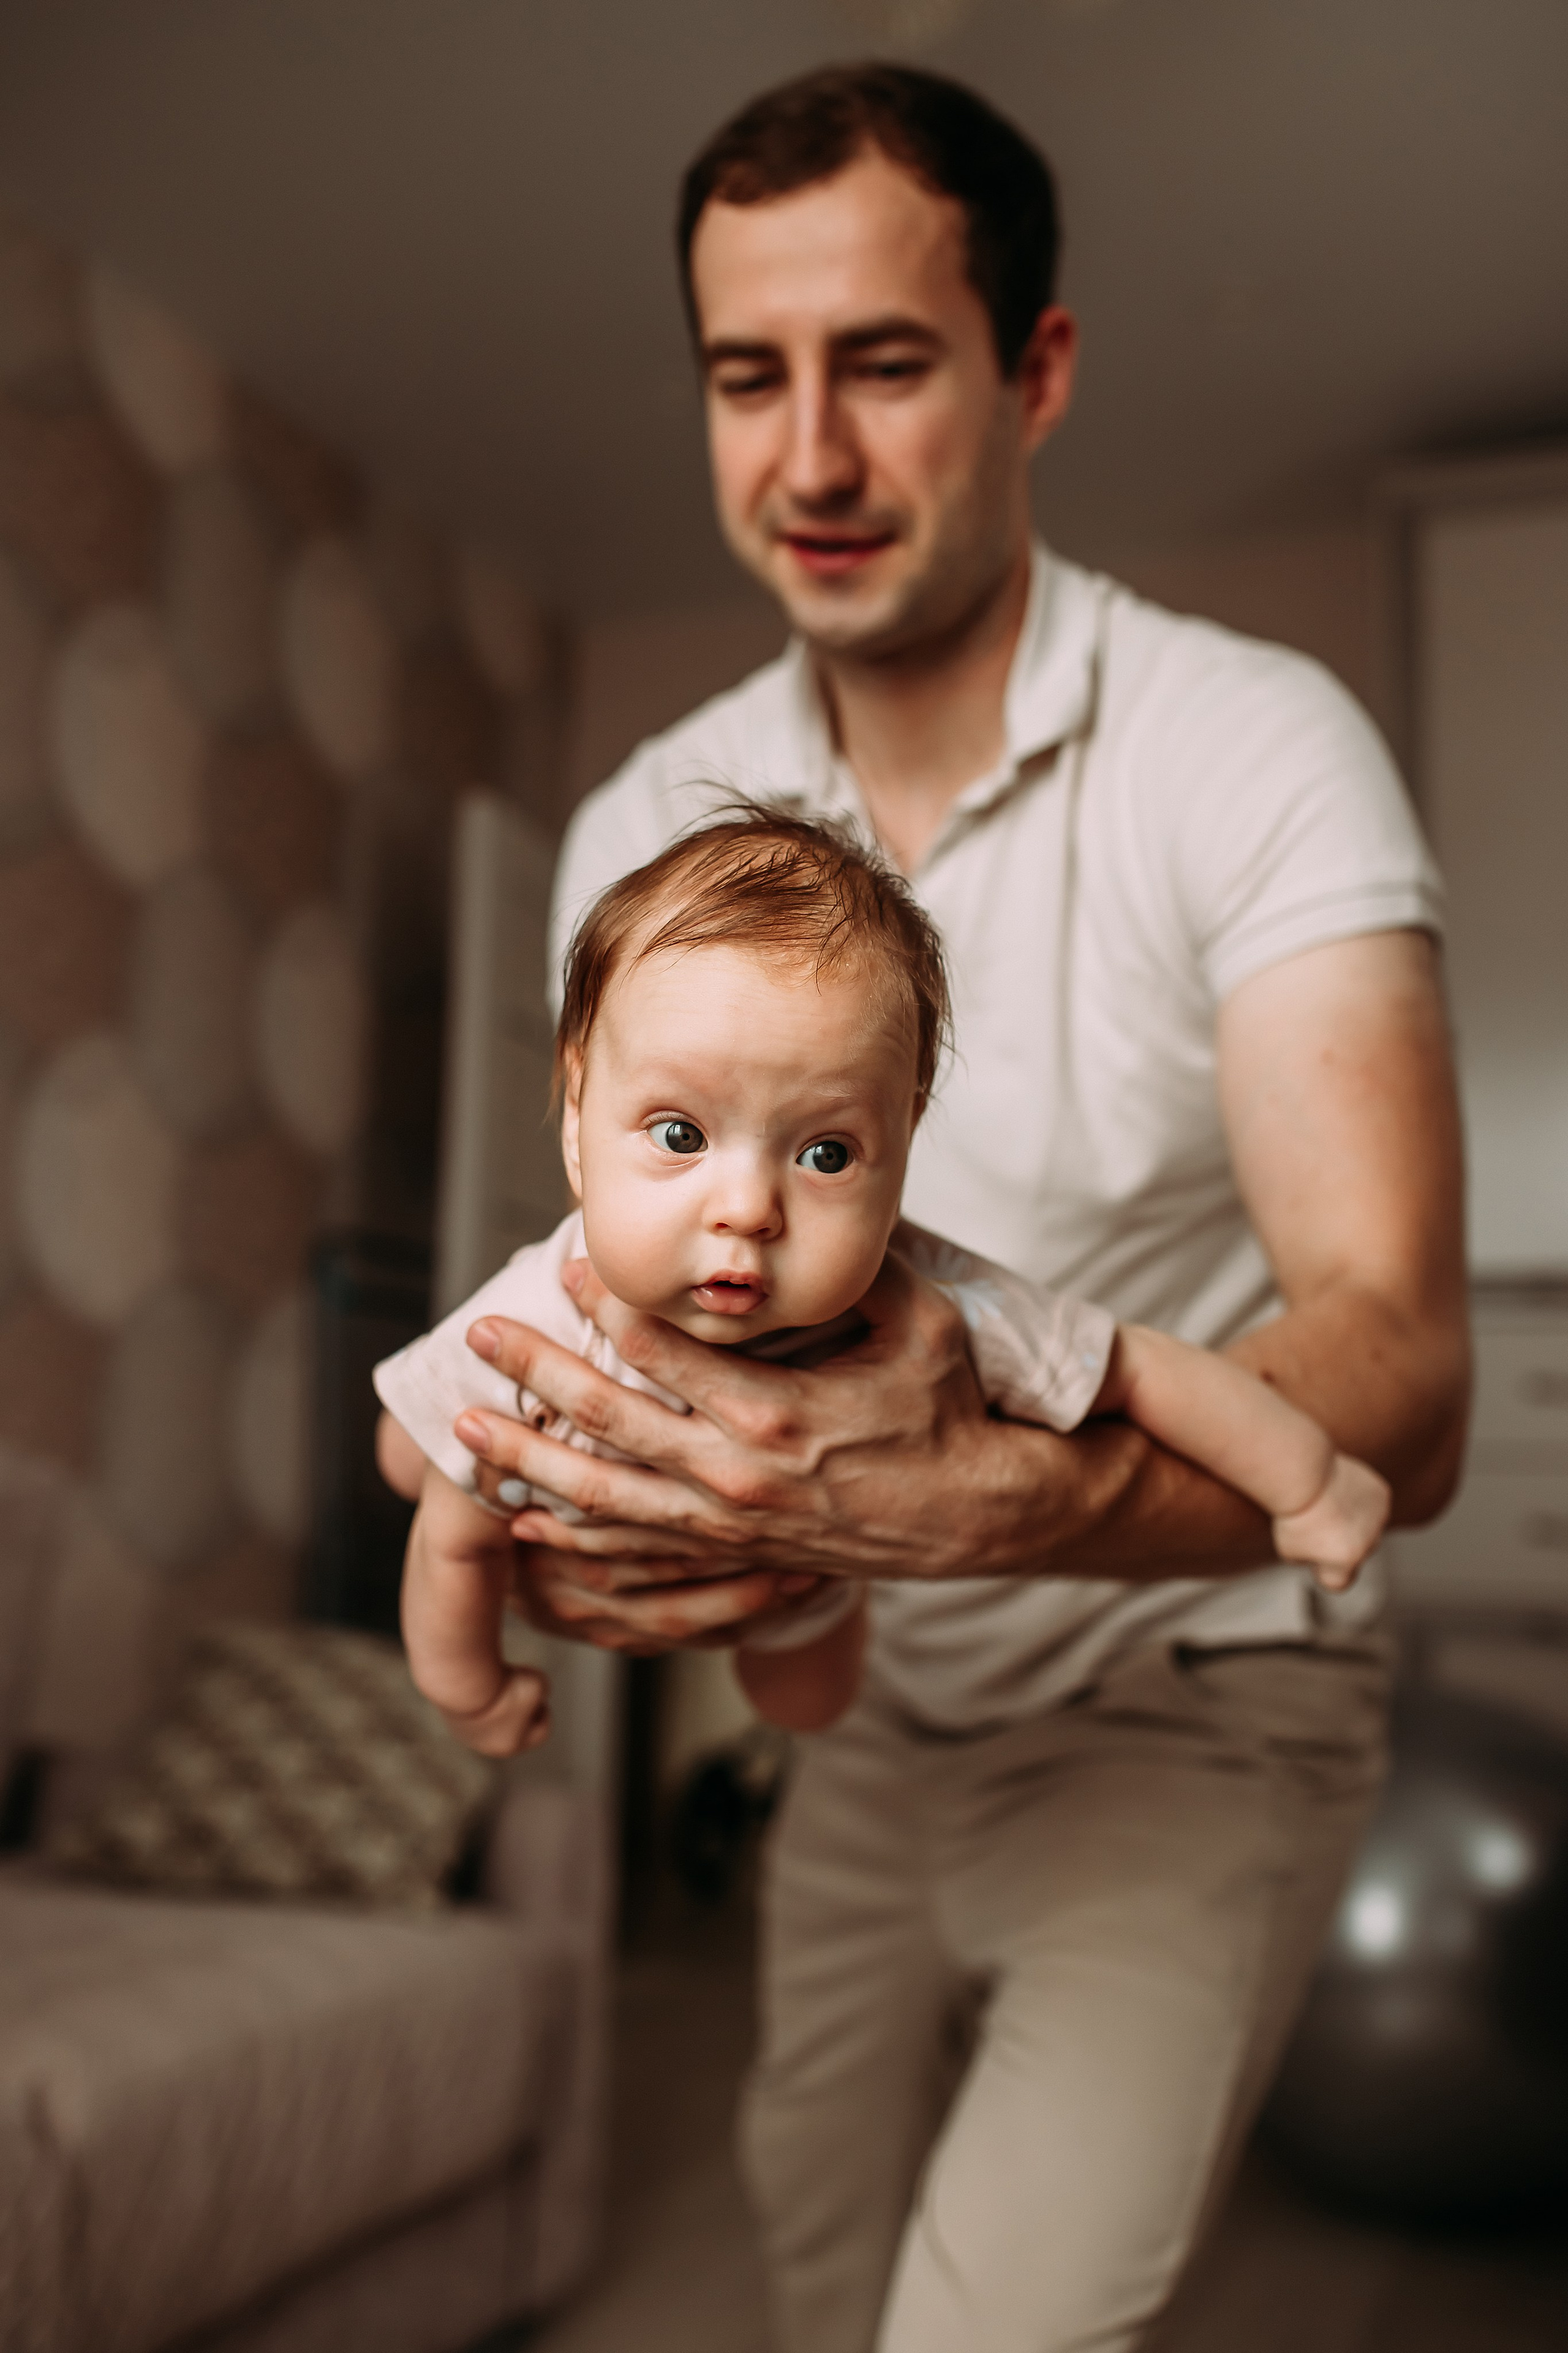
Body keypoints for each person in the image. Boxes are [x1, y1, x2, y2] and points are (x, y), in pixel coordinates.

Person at [390, 62, 1470, 2353]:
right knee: (807, 2249)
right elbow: (587, 1336)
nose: (808, 462)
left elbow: (1403, 1365)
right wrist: (589, 1533)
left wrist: (979, 1501)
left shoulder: (1250, 752)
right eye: (745, 377)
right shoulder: (639, 827)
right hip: (857, 1722)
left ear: (1034, 369)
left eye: (882, 363)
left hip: (1189, 1703)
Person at [379, 809, 1390, 1750]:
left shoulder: (939, 1300)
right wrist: (468, 1686)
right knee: (452, 1509)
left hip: (801, 1587)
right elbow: (430, 1501)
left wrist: (1307, 1480)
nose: (747, 1208)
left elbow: (1138, 1370)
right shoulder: (538, 1310)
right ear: (575, 1125)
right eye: (680, 1135)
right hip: (603, 1549)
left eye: (824, 1154)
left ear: (903, 1143)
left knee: (806, 1702)